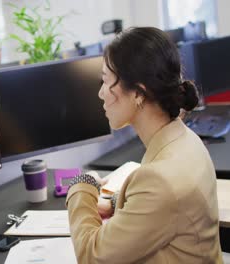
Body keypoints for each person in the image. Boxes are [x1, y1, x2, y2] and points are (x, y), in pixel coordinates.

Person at [66, 27, 223, 263]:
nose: (100, 94)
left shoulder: (160, 180)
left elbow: (91, 255)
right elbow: (169, 209)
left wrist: (82, 187)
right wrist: (115, 203)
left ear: (139, 92)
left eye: (106, 81)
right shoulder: (185, 138)